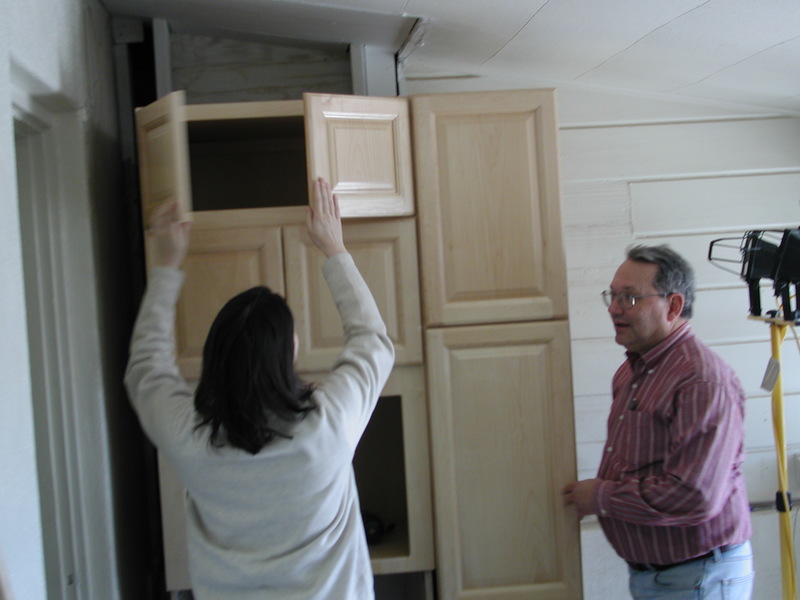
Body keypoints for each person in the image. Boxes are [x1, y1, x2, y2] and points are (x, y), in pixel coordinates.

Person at [124, 178, 395, 600]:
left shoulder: (191, 440)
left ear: (214, 358)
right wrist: (334, 248)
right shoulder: (328, 429)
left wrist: (166, 264)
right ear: (290, 352)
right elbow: (372, 341)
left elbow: (146, 367)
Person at [562, 244, 754, 600]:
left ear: (674, 306)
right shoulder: (632, 371)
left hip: (697, 577)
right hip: (660, 576)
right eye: (613, 296)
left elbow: (695, 495)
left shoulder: (701, 380)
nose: (614, 308)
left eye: (630, 298)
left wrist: (600, 496)